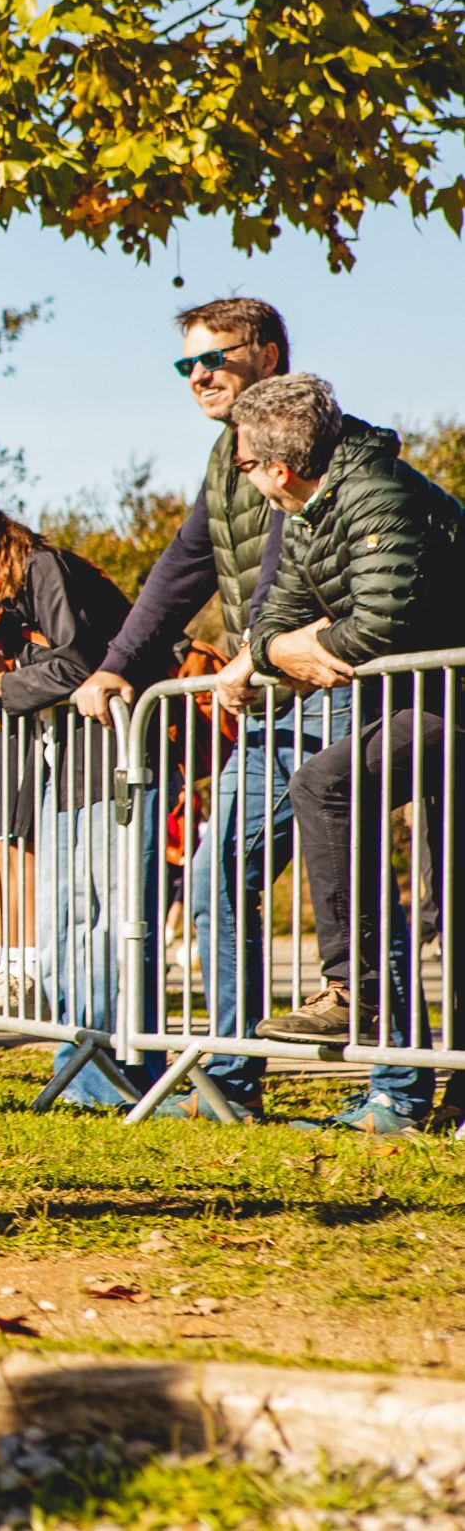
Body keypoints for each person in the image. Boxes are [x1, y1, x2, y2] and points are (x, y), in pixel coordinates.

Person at [68, 298, 307, 1119]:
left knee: (369, 896)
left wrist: (256, 649)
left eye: (214, 357)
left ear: (267, 354)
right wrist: (113, 667)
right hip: (278, 705)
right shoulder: (224, 460)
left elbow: (295, 565)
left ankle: (399, 1083)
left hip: (346, 692)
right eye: (185, 364)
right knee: (215, 879)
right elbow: (178, 574)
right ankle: (229, 1080)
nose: (198, 375)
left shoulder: (306, 442)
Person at [230, 376, 464, 1134]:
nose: (240, 474)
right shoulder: (312, 510)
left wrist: (304, 645)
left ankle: (354, 993)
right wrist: (275, 644)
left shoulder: (375, 494)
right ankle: (377, 1024)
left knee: (324, 784)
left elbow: (382, 621)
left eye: (241, 462)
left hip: (447, 692)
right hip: (423, 696)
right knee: (339, 795)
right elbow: (278, 615)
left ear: (275, 465)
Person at [0, 473, 160, 1109]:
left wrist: (0, 686)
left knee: (112, 915)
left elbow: (81, 659)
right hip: (63, 755)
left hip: (114, 746)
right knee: (66, 917)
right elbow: (44, 661)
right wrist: (0, 670)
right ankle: (83, 1062)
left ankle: (129, 1068)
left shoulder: (40, 566)